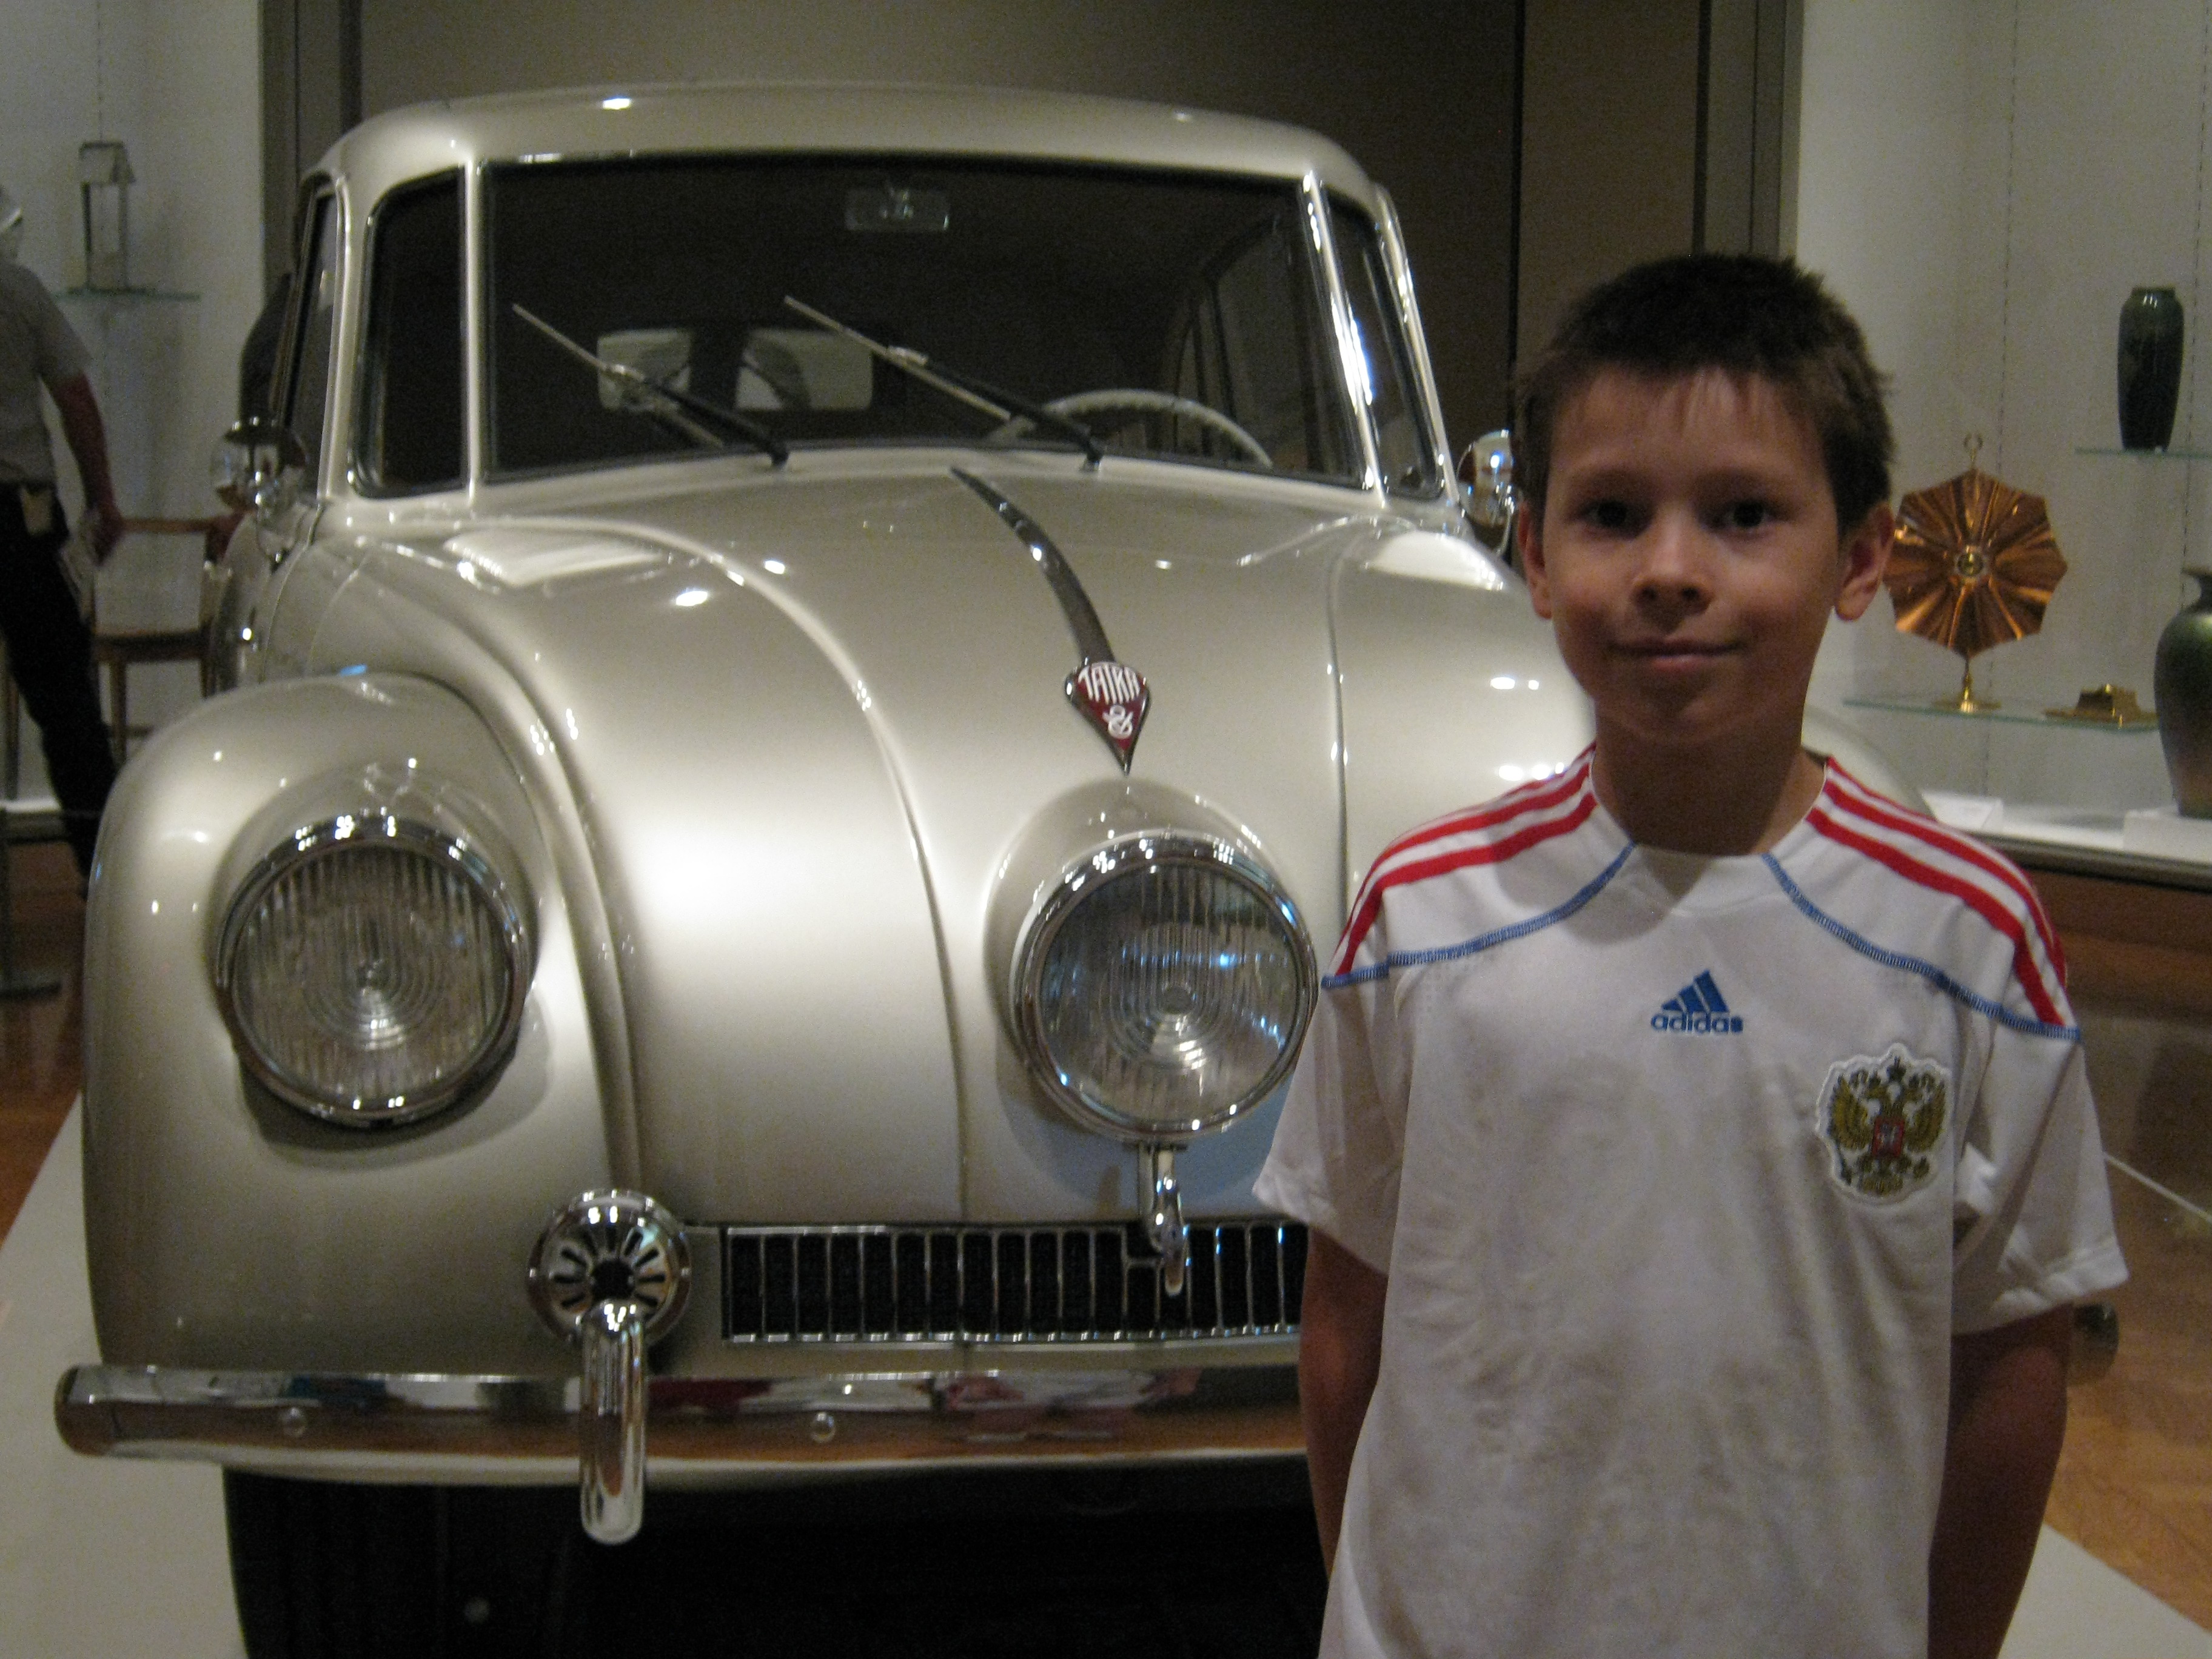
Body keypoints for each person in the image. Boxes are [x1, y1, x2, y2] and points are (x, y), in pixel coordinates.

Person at [1259, 253, 2127, 1659]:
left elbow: (2010, 1360)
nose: (1670, 569)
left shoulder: (1969, 940)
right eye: (1611, 515)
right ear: (1537, 556)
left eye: (1742, 514)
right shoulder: (1419, 915)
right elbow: (1346, 1324)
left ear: (1861, 557)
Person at [0, 186, 120, 876]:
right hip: (22, 519)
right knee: (66, 705)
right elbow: (75, 397)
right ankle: (101, 867)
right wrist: (102, 500)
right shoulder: (19, 291)